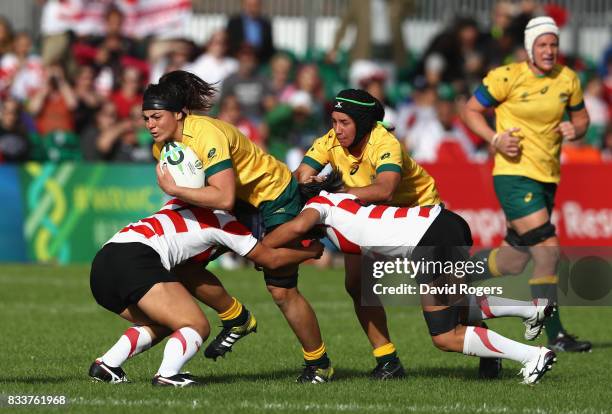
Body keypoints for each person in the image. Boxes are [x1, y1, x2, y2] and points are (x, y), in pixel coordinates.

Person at [263, 171, 557, 385]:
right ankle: (530, 309)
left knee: (444, 335)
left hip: (431, 239)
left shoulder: (317, 206)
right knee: (455, 306)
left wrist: (258, 248)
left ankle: (532, 356)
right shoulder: (337, 199)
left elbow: (297, 227)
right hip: (441, 224)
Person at [142, 70, 334, 383]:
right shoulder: (161, 146)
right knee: (183, 263)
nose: (149, 125)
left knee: (281, 289)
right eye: (146, 118)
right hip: (239, 204)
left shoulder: (206, 134)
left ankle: (319, 363)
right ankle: (236, 318)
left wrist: (176, 192)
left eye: (156, 117)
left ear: (179, 114)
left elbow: (224, 197)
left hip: (273, 195)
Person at [89, 197, 323, 387]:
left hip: (102, 264)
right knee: (195, 325)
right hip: (136, 259)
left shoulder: (178, 203)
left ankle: (107, 365)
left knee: (163, 322)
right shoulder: (229, 225)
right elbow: (269, 259)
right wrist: (310, 253)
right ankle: (167, 375)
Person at [462, 16, 592, 352]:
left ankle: (455, 275)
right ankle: (556, 335)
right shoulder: (506, 76)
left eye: (553, 44)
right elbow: (470, 110)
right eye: (542, 45)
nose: (549, 51)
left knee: (513, 261)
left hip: (548, 177)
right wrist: (495, 139)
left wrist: (575, 130)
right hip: (513, 176)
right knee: (548, 251)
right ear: (529, 48)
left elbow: (581, 118)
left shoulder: (568, 79)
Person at [294, 89, 440, 379]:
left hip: (419, 216)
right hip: (373, 217)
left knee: (439, 301)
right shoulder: (331, 139)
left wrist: (337, 192)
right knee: (358, 285)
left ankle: (481, 335)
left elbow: (385, 189)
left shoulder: (384, 142)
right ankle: (388, 360)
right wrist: (310, 182)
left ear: (361, 122)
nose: (337, 129)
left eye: (344, 122)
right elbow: (301, 174)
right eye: (334, 121)